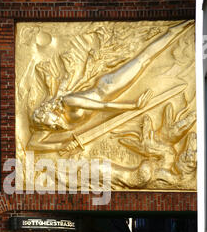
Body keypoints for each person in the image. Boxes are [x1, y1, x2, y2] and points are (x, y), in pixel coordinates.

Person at [27, 20, 193, 152]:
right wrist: (59, 146)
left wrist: (133, 106)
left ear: (52, 111)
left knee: (144, 59)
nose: (56, 124)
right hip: (106, 95)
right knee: (144, 60)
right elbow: (32, 145)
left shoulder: (69, 102)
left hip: (109, 87)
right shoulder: (51, 126)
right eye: (52, 125)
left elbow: (103, 106)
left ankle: (175, 31)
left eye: (53, 119)